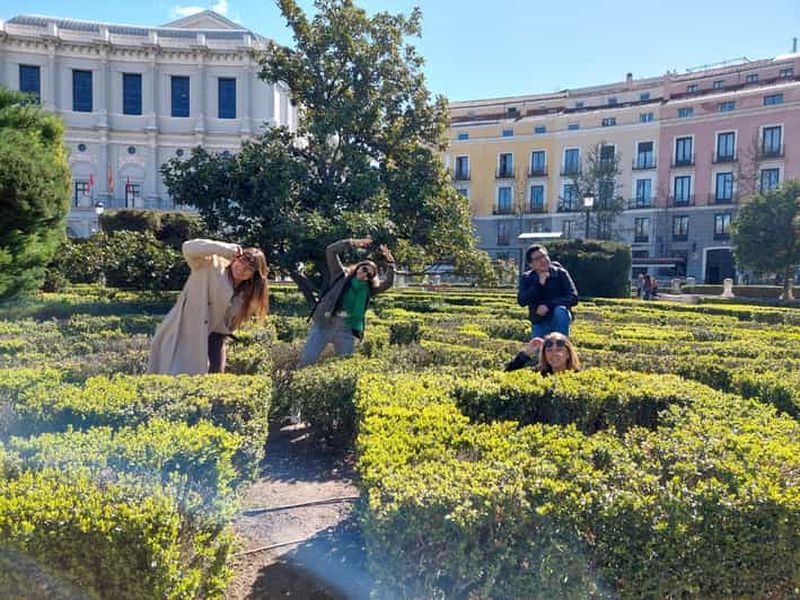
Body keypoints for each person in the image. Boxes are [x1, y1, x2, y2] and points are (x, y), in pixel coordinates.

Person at [147, 239, 269, 375]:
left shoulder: (248, 294)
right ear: (236, 259)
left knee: (208, 386)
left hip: (214, 341)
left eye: (249, 269)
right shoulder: (211, 265)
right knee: (173, 377)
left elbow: (230, 323)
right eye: (241, 262)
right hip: (183, 332)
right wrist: (226, 249)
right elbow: (188, 247)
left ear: (254, 275)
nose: (242, 269)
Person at [300, 237, 395, 366]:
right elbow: (331, 251)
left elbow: (388, 283)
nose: (365, 275)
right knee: (307, 361)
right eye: (365, 270)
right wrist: (353, 243)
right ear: (359, 267)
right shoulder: (340, 275)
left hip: (346, 330)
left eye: (370, 275)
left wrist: (390, 262)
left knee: (345, 365)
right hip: (324, 325)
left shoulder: (368, 289)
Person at [517, 244, 579, 339]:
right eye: (537, 259)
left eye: (544, 256)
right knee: (539, 351)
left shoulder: (560, 273)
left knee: (561, 310)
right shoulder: (527, 278)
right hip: (539, 320)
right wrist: (538, 284)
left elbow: (573, 297)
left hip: (559, 318)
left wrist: (548, 306)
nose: (543, 260)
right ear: (531, 265)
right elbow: (522, 301)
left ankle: (562, 343)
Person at [504, 332, 581, 376]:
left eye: (559, 350)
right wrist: (527, 353)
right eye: (549, 350)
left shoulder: (578, 376)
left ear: (568, 354)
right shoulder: (538, 373)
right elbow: (507, 375)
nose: (554, 354)